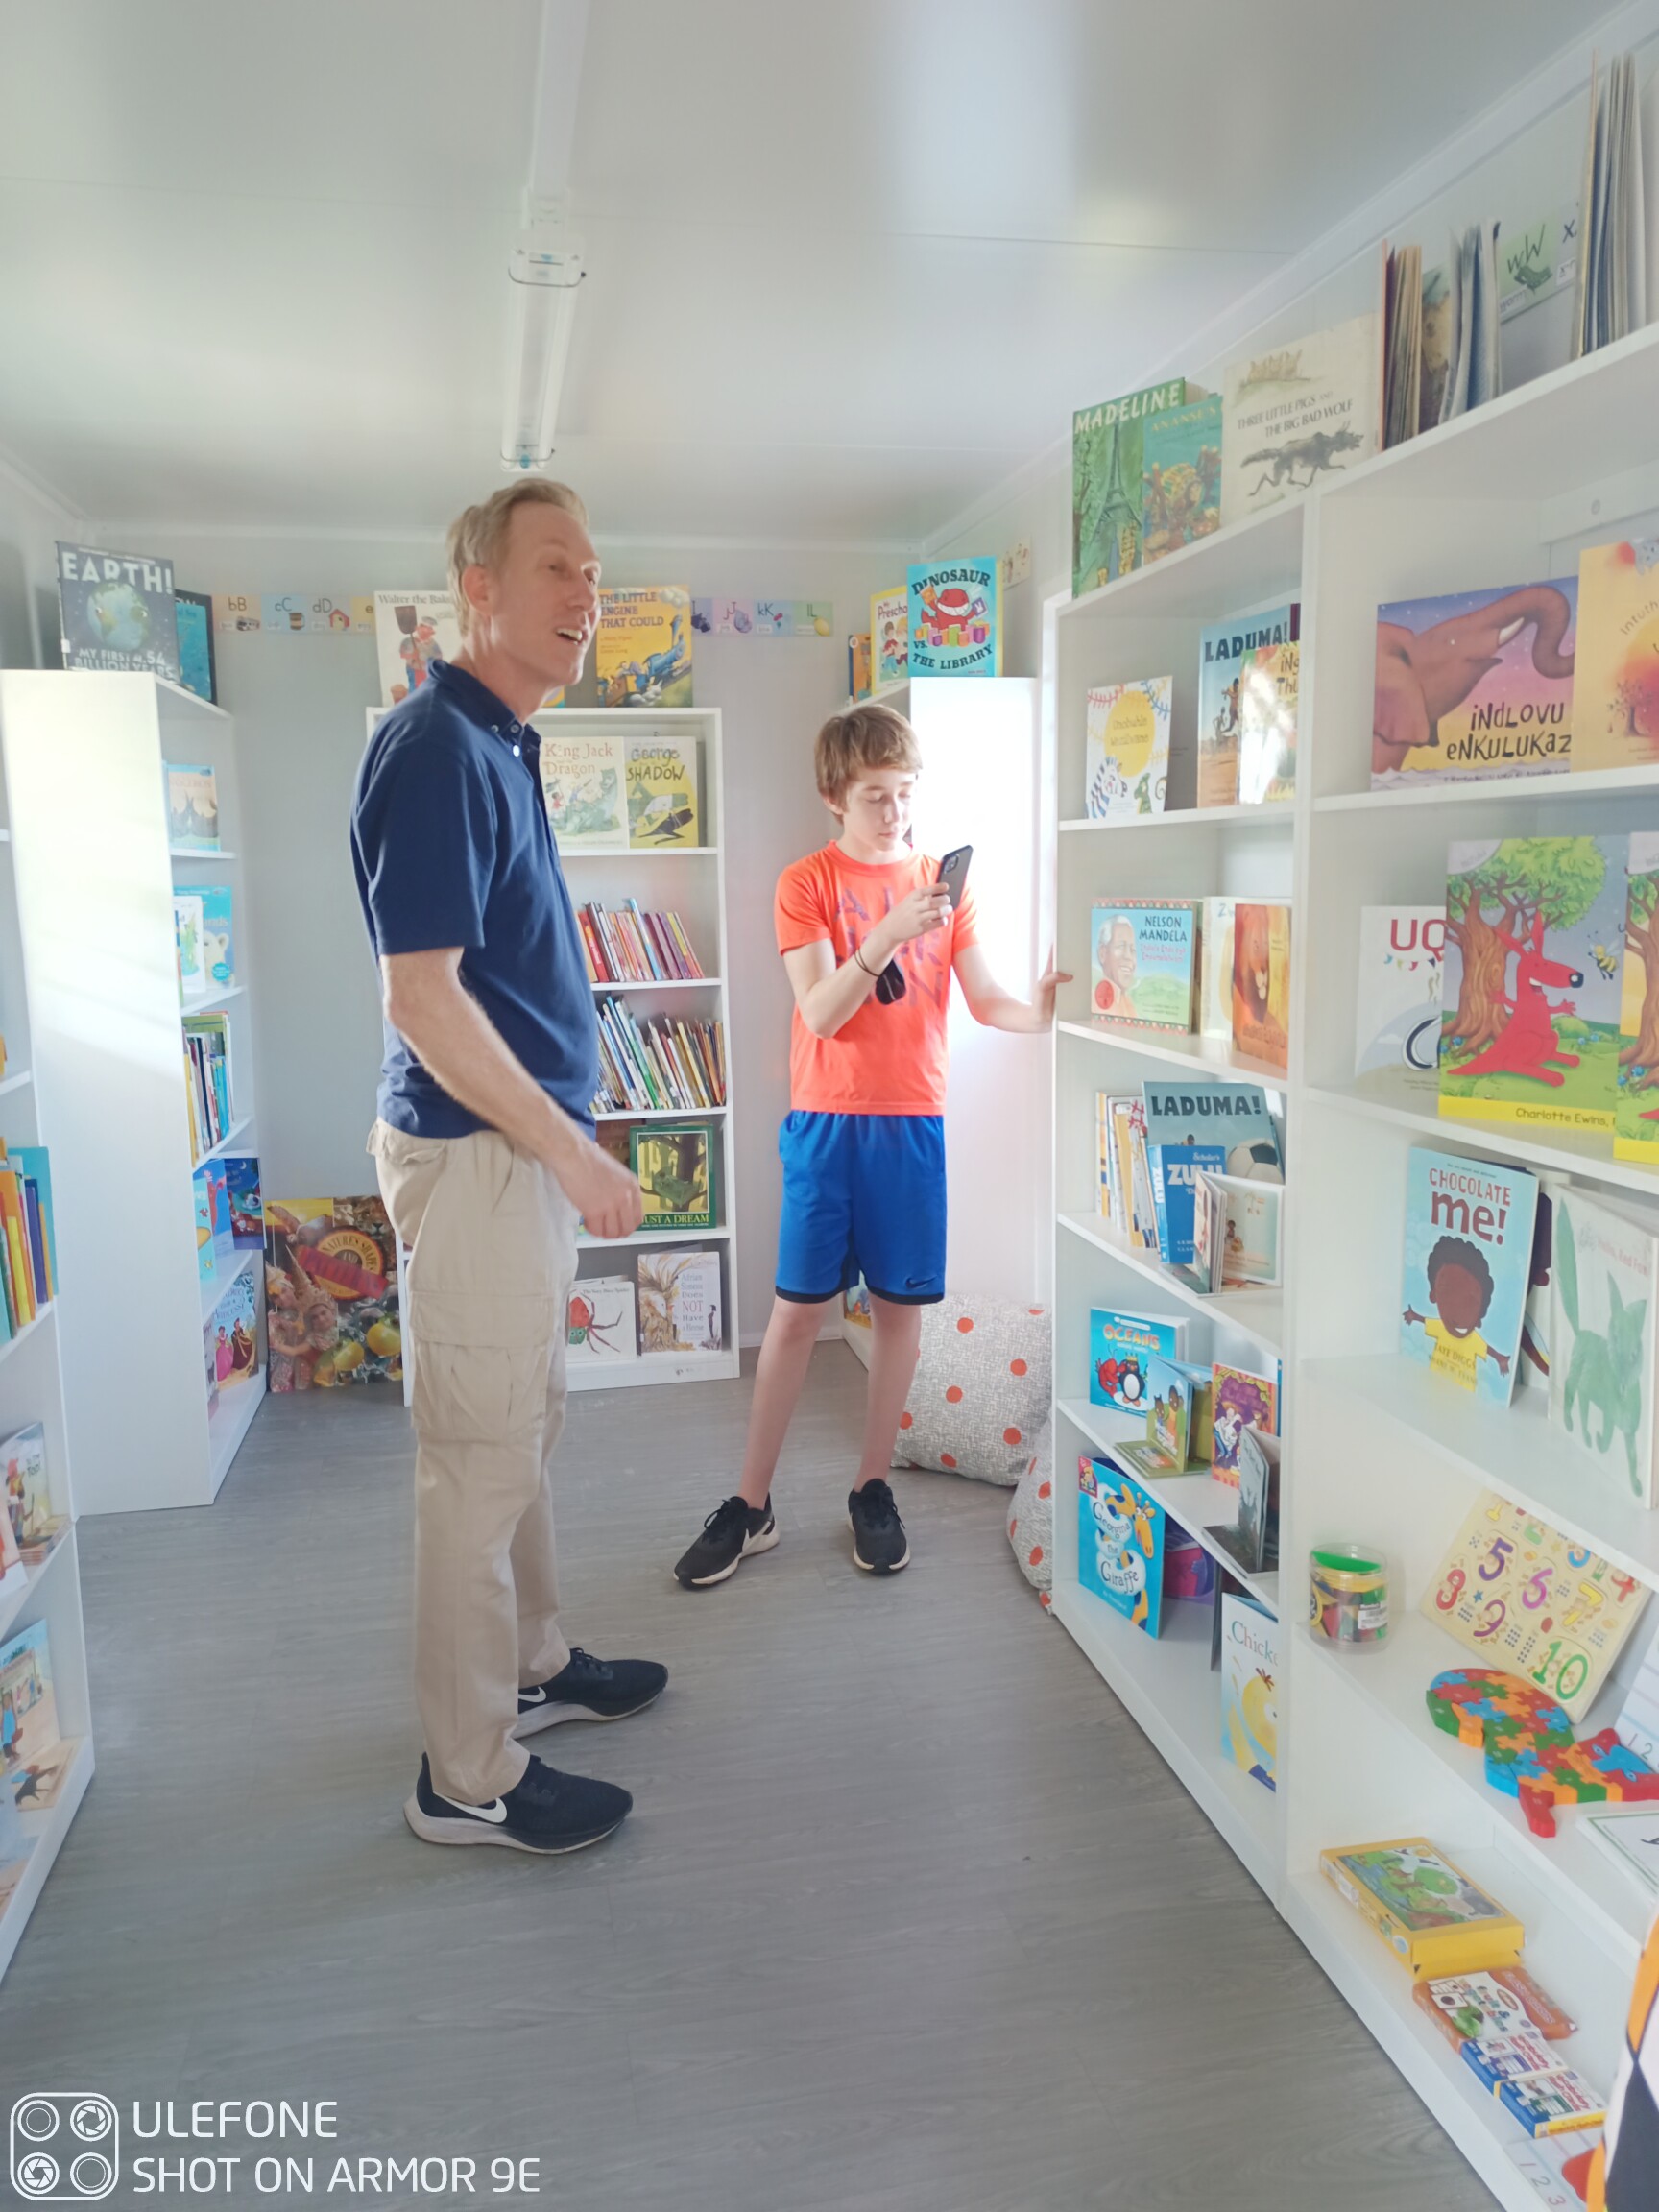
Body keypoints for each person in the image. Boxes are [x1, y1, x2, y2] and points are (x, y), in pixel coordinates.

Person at [351, 479, 665, 1857]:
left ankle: (532, 1669)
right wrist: (568, 1148)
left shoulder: (497, 740)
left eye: (592, 573)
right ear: (476, 587)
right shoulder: (435, 748)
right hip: (482, 1159)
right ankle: (466, 1774)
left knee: (522, 1431)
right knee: (477, 1468)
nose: (585, 594)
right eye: (554, 567)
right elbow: (421, 997)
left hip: (510, 1160)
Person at [673, 702, 1066, 1588]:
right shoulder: (806, 881)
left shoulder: (944, 888)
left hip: (912, 1124)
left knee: (897, 1314)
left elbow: (984, 1000)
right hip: (825, 1124)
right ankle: (751, 1504)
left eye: (906, 792)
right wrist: (886, 935)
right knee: (795, 1316)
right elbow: (820, 1011)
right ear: (833, 797)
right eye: (876, 796)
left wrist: (1039, 1011)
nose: (896, 813)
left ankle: (872, 1487)